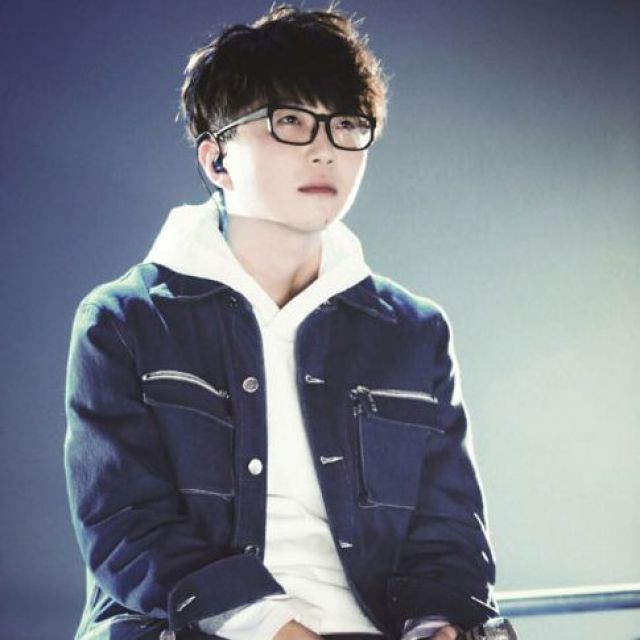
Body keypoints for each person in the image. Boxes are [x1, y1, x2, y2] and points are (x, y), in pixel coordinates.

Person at [64, 4, 500, 640]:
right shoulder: (125, 321)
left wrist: (440, 625)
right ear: (216, 160)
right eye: (289, 121)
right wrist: (275, 628)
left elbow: (450, 531)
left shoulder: (414, 330)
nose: (325, 151)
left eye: (346, 124)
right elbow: (127, 528)